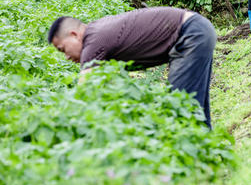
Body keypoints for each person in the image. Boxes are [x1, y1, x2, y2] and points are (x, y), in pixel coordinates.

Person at [47, 7, 216, 128]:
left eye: (63, 49)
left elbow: (84, 94)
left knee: (179, 108)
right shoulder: (97, 32)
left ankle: (192, 169)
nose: (67, 57)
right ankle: (207, 162)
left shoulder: (93, 41)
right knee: (193, 106)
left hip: (190, 34)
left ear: (74, 35)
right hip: (196, 28)